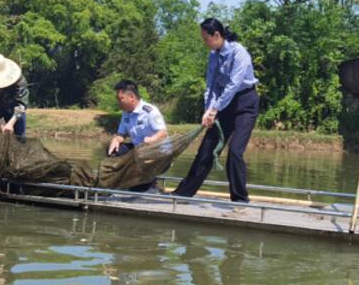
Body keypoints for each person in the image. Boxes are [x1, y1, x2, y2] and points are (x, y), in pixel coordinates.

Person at [173, 18, 259, 202]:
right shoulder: (213, 55)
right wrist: (208, 110)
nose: (205, 43)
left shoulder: (239, 53)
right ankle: (183, 194)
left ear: (217, 35)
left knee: (235, 151)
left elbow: (234, 85)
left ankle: (240, 200)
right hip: (223, 103)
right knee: (206, 149)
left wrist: (215, 109)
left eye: (206, 39)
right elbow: (211, 85)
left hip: (245, 103)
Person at [107, 80, 168, 192]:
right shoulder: (126, 113)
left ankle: (150, 183)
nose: (118, 102)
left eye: (121, 99)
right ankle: (121, 180)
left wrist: (152, 139)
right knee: (114, 150)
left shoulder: (150, 111)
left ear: (131, 97)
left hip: (156, 152)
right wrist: (116, 139)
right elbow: (121, 134)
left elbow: (163, 133)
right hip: (138, 150)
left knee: (138, 190)